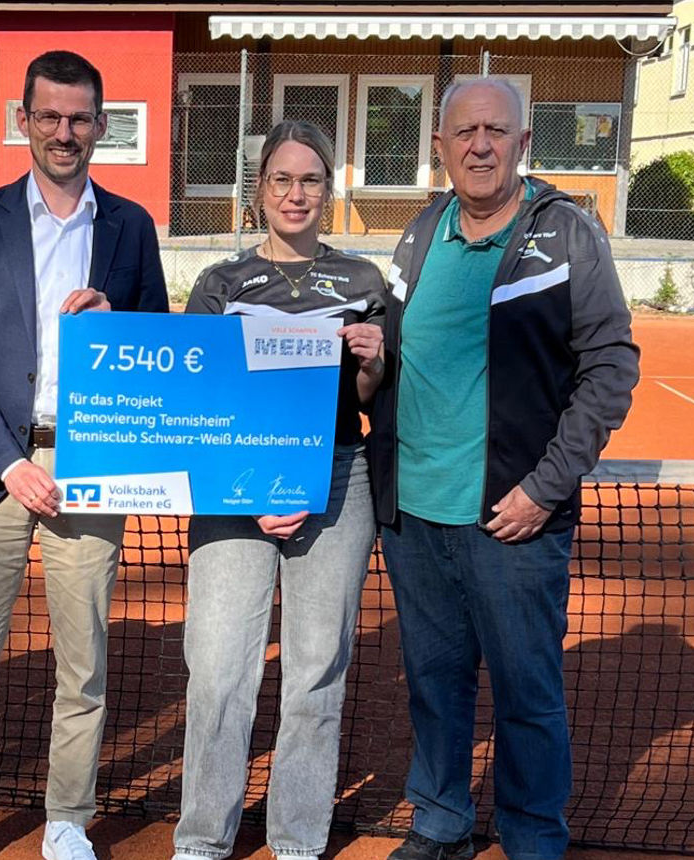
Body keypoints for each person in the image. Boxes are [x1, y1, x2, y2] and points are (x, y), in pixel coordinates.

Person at [367, 77, 640, 860]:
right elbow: (394, 361)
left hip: (513, 517)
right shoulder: (419, 235)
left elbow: (611, 367)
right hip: (415, 515)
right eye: (464, 132)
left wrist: (543, 488)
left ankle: (532, 838)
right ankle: (442, 823)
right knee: (435, 688)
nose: (480, 145)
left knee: (526, 696)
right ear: (441, 147)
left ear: (523, 144)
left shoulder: (566, 235)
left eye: (496, 131)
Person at [0, 50, 168, 860]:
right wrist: (9, 462)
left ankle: (68, 818)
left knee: (84, 664)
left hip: (93, 467)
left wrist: (117, 319)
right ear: (21, 120)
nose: (65, 133)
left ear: (101, 125)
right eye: (49, 117)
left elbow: (158, 348)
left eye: (80, 119)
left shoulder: (130, 227)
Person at [170, 120, 387, 860]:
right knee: (220, 670)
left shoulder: (362, 282)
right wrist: (247, 487)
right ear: (258, 191)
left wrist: (370, 360)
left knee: (315, 674)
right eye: (281, 180)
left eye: (311, 180)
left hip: (337, 479)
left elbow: (370, 398)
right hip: (234, 492)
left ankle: (297, 842)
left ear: (329, 191)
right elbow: (195, 401)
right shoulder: (220, 284)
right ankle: (202, 841)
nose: (297, 194)